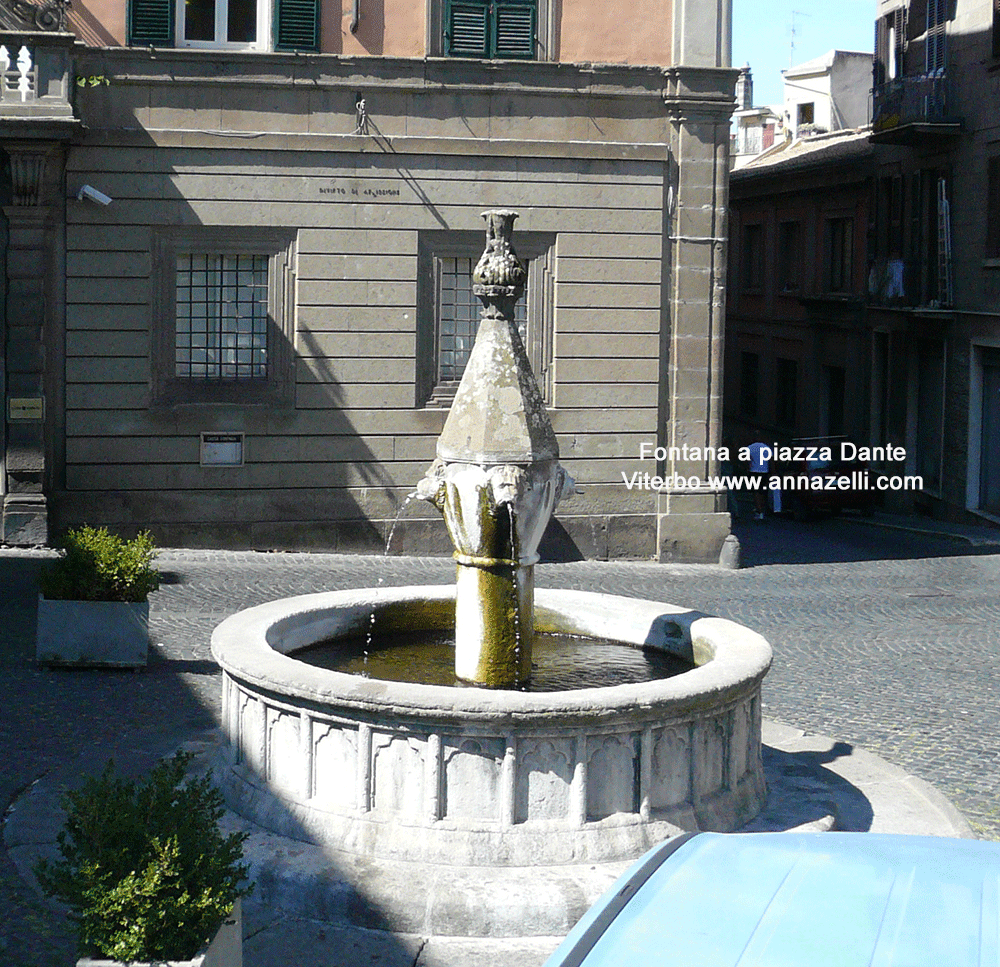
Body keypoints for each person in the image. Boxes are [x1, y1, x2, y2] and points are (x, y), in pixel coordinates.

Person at [746, 442, 770, 519]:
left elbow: (747, 460)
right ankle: (761, 510)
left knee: (755, 492)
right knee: (762, 492)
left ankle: (758, 510)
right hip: (764, 472)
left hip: (753, 471)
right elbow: (771, 460)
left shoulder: (749, 447)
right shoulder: (766, 447)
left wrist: (747, 469)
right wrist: (773, 472)